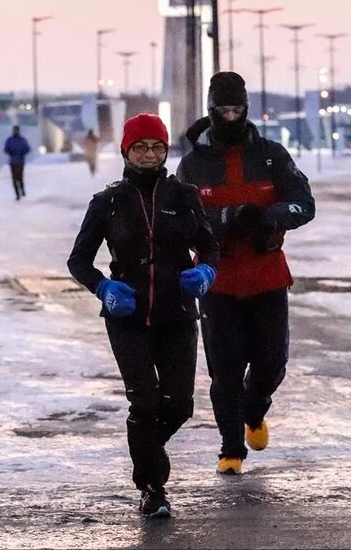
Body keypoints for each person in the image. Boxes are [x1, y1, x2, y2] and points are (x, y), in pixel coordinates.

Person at [67, 113, 219, 518]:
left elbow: (210, 246)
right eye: (140, 147)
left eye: (157, 147)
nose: (149, 155)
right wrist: (103, 288)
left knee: (179, 405)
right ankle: (152, 489)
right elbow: (78, 261)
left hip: (177, 315)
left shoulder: (184, 196)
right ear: (126, 151)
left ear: (166, 151)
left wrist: (206, 271)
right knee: (145, 402)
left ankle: (147, 451)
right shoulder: (108, 202)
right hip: (127, 318)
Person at [177, 71, 315, 475]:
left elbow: (304, 204)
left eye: (237, 109)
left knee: (272, 363)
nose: (230, 116)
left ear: (247, 109)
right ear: (211, 110)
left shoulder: (272, 156)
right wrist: (227, 218)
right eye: (223, 110)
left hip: (267, 276)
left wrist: (267, 217)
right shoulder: (192, 166)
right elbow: (183, 221)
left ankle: (254, 410)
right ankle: (231, 449)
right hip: (218, 281)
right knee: (225, 370)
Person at [3, 125, 31, 200]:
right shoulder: (10, 140)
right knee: (14, 178)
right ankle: (17, 194)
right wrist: (11, 152)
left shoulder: (22, 140)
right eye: (14, 130)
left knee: (19, 177)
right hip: (13, 162)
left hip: (20, 161)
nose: (15, 132)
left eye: (16, 130)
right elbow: (6, 149)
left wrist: (22, 153)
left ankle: (22, 189)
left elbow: (27, 149)